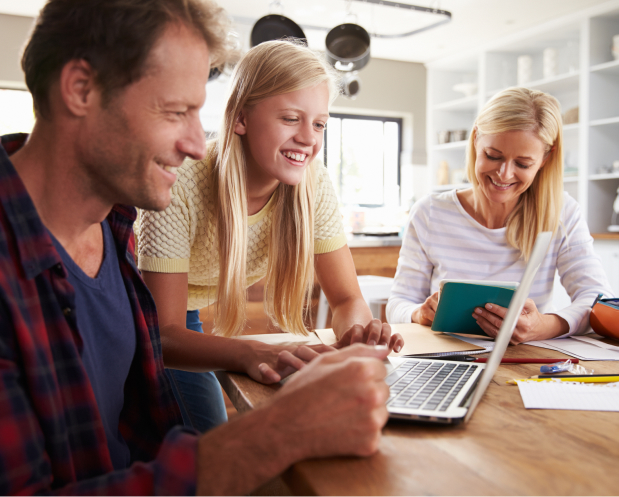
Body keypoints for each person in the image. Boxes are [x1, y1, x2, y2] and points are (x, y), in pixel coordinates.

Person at [0, 0, 392, 494]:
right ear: (81, 89)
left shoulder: (111, 231)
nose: (196, 142)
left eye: (198, 112)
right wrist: (272, 433)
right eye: (175, 111)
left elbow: (138, 447)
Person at [135, 40, 404, 432]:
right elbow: (164, 334)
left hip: (179, 317)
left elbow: (347, 299)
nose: (309, 138)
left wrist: (356, 337)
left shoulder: (313, 185)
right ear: (241, 118)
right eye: (290, 118)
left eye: (319, 124)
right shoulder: (181, 182)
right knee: (204, 435)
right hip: (135, 312)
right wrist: (251, 351)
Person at [387, 87, 614, 343]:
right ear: (475, 140)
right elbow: (397, 304)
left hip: (524, 359)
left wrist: (544, 325)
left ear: (545, 159)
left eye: (522, 164)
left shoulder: (562, 212)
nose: (504, 174)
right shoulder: (430, 212)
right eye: (493, 156)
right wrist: (419, 313)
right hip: (444, 356)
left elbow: (598, 299)